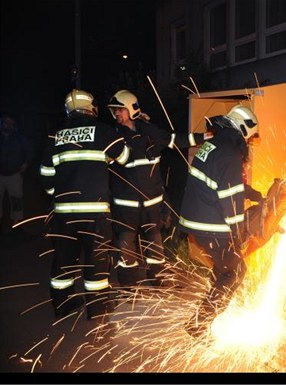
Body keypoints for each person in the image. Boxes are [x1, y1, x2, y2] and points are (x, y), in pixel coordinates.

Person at [39, 89, 130, 320]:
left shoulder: (55, 137)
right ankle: (98, 310)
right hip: (95, 214)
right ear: (92, 108)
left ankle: (63, 305)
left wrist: (56, 194)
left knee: (63, 260)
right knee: (96, 262)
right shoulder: (103, 132)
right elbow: (124, 157)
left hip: (63, 215)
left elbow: (46, 175)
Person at [107, 90, 207, 287]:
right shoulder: (113, 137)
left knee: (155, 246)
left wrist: (204, 136)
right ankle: (129, 287)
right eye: (114, 111)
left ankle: (160, 280)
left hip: (152, 204)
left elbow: (175, 140)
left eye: (120, 109)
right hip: (125, 208)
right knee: (126, 248)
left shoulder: (151, 132)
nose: (116, 114)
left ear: (131, 109)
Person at [179, 105, 258, 337]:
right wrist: (238, 232)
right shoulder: (230, 153)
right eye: (248, 137)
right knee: (234, 272)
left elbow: (220, 181)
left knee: (223, 267)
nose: (248, 142)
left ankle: (208, 313)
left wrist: (252, 194)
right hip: (211, 224)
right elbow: (230, 200)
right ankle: (199, 324)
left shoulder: (215, 145)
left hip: (196, 219)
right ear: (243, 129)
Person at [0, 114, 32, 228]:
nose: (7, 125)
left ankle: (17, 224)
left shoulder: (19, 138)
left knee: (16, 200)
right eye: (5, 123)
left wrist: (26, 163)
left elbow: (29, 151)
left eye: (10, 123)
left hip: (15, 174)